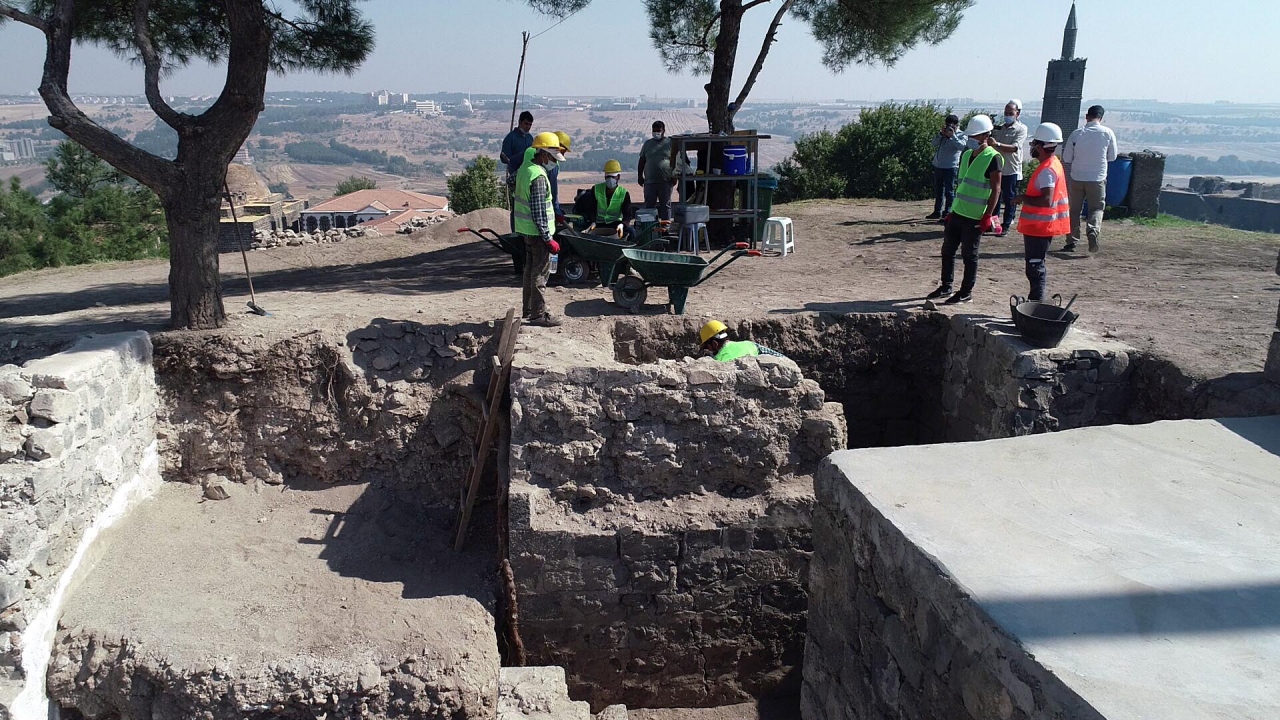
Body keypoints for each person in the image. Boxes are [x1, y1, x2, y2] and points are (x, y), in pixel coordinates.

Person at [926, 114, 1003, 305]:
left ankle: (966, 291)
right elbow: (962, 185)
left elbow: (996, 189)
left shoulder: (993, 158)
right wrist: (952, 210)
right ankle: (946, 285)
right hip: (958, 212)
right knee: (948, 251)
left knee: (970, 255)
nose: (971, 139)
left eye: (975, 136)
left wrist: (988, 215)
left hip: (975, 216)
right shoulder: (967, 154)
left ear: (986, 135)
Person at [1013, 123, 1071, 301]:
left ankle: (1035, 304)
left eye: (1034, 145)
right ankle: (1034, 302)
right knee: (1034, 265)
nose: (1032, 148)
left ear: (1041, 146)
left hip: (1040, 227)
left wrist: (1023, 198)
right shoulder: (1052, 164)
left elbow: (1047, 199)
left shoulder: (1047, 170)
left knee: (1035, 266)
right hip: (1039, 227)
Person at [514, 132, 564, 327]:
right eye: (552, 157)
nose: (553, 162)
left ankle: (529, 310)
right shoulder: (539, 176)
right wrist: (547, 237)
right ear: (543, 154)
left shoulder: (525, 169)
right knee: (539, 273)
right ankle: (538, 315)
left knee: (529, 270)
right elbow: (538, 210)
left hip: (526, 230)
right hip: (537, 232)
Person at [1062, 105, 1119, 253]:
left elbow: (1067, 158)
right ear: (1101, 118)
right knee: (1096, 208)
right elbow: (1112, 157)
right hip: (1097, 177)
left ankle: (1071, 240)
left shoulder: (1077, 134)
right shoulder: (1107, 133)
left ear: (1087, 117)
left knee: (1074, 210)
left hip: (1077, 176)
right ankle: (1093, 230)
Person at [990, 99, 1028, 237]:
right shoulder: (1000, 128)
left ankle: (1006, 225)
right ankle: (994, 224)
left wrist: (997, 144)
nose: (1007, 115)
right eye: (1006, 113)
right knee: (995, 197)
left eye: (1010, 113)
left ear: (1017, 113)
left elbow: (1014, 148)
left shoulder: (1021, 129)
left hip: (1011, 169)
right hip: (997, 168)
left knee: (1009, 199)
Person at [578, 159, 637, 241]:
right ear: (605, 177)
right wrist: (592, 221)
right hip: (598, 223)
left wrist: (622, 225)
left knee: (631, 231)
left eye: (613, 177)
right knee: (581, 232)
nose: (610, 179)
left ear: (618, 177)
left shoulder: (624, 193)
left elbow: (628, 215)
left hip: (615, 224)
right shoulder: (596, 189)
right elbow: (591, 209)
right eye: (608, 176)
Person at [927, 114, 967, 220]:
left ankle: (948, 212)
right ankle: (937, 211)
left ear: (956, 125)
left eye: (952, 125)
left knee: (949, 191)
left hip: (951, 166)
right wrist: (941, 134)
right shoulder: (943, 134)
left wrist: (952, 136)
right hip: (938, 165)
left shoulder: (961, 135)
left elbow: (962, 147)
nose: (949, 127)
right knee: (938, 190)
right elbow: (933, 143)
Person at [501, 111, 534, 231]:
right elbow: (505, 158)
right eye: (526, 124)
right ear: (520, 122)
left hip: (529, 176)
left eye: (530, 125)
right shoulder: (511, 138)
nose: (528, 127)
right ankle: (515, 231)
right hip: (516, 177)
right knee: (517, 206)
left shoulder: (530, 138)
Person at [638, 120, 676, 221]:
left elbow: (676, 161)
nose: (656, 133)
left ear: (664, 131)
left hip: (665, 181)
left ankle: (665, 229)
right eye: (654, 131)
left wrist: (675, 176)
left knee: (665, 206)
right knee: (649, 207)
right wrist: (639, 176)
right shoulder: (647, 144)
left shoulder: (670, 143)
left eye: (658, 130)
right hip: (649, 181)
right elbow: (642, 160)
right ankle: (650, 229)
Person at [698, 321, 787, 362]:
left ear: (714, 344)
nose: (707, 350)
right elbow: (780, 357)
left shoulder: (719, 361)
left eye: (707, 347)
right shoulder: (749, 344)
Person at [549, 130, 572, 217]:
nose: (563, 155)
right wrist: (557, 210)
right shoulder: (552, 164)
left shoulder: (531, 151)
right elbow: (553, 190)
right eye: (563, 152)